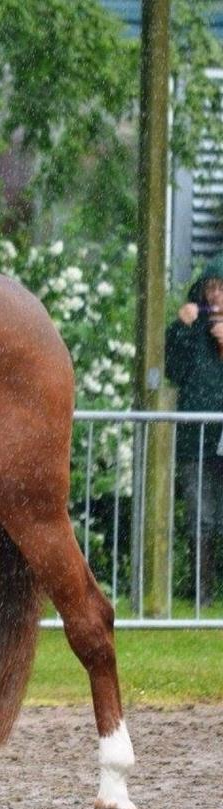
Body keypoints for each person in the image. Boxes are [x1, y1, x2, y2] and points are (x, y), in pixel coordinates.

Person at [166, 254, 223, 607]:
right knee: (200, 516)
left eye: (222, 289)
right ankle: (202, 593)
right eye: (211, 288)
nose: (215, 296)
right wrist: (181, 329)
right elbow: (173, 370)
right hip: (195, 439)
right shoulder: (190, 329)